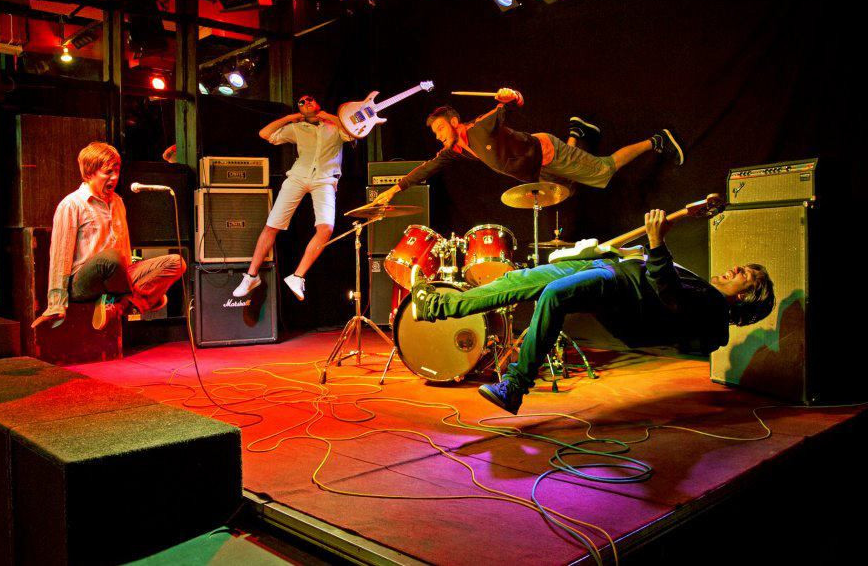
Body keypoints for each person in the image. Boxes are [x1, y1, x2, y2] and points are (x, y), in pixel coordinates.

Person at [408, 209, 775, 414]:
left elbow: (670, 297)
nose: (736, 269)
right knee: (518, 281)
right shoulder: (705, 287)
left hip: (620, 291)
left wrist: (657, 243)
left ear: (745, 297)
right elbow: (655, 274)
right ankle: (436, 305)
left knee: (554, 294)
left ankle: (515, 388)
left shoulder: (713, 309)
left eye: (745, 275)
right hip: (608, 269)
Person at [372, 88, 684, 206]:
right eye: (435, 133)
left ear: (454, 122)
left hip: (548, 153)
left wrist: (511, 95)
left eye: (440, 129)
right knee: (565, 193)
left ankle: (656, 140)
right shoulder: (456, 149)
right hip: (539, 168)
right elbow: (428, 167)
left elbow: (511, 104)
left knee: (605, 170)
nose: (438, 136)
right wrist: (395, 189)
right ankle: (577, 131)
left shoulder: (480, 127)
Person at [31, 142, 186, 331]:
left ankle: (122, 305)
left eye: (117, 171)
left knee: (177, 262)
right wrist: (56, 303)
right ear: (89, 174)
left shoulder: (118, 202)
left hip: (116, 278)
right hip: (84, 282)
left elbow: (124, 249)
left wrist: (141, 278)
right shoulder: (71, 204)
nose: (114, 177)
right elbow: (60, 256)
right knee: (111, 257)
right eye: (108, 172)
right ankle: (135, 300)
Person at [232, 95, 353, 301]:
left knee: (326, 228)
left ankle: (297, 276)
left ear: (318, 103)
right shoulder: (297, 128)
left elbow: (351, 132)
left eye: (310, 100)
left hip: (325, 179)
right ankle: (251, 276)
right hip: (298, 177)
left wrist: (326, 116)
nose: (306, 103)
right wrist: (291, 117)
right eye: (301, 102)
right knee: (272, 225)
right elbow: (265, 134)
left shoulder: (335, 126)